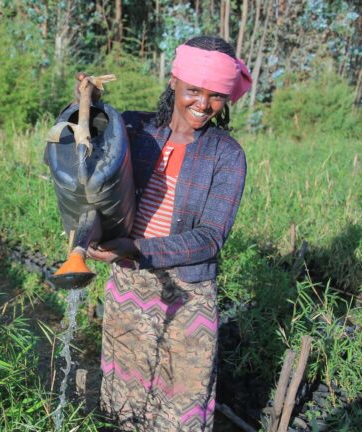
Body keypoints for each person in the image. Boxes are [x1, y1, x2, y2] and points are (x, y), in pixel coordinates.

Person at [85, 36, 252, 431]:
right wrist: (86, 103)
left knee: (181, 406)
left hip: (189, 297)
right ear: (174, 81)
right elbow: (83, 146)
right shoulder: (133, 128)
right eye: (194, 90)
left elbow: (210, 238)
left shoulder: (226, 154)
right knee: (126, 398)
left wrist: (136, 247)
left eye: (215, 96)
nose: (203, 104)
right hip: (128, 285)